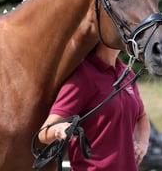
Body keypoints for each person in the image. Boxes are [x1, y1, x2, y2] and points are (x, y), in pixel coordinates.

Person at [39, 42, 150, 170]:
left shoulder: (127, 73)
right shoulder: (83, 74)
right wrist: (59, 130)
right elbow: (44, 133)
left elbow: (142, 115)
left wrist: (142, 144)